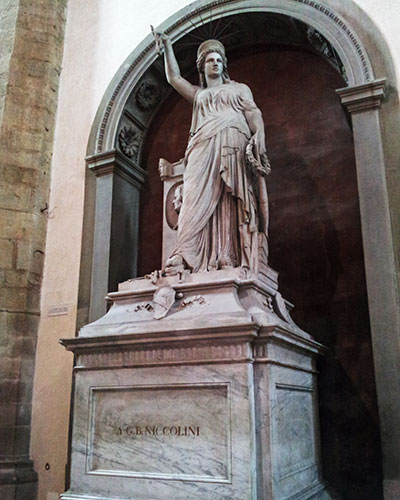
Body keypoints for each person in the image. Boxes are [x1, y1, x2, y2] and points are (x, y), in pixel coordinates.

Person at [154, 33, 270, 275]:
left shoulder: (239, 90)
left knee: (229, 199)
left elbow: (252, 112)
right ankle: (185, 254)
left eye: (219, 59)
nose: (215, 63)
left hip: (232, 144)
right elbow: (174, 78)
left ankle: (227, 255)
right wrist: (167, 47)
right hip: (201, 147)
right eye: (210, 60)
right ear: (202, 67)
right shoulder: (198, 95)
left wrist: (259, 132)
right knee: (194, 199)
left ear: (224, 65)